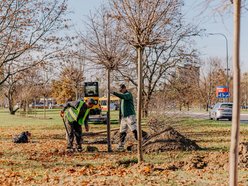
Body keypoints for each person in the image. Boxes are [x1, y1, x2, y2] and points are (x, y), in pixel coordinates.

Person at [112, 84, 138, 151]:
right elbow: (121, 108)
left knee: (134, 129)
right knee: (122, 131)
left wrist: (114, 93)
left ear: (124, 88)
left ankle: (142, 141)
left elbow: (123, 97)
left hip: (130, 115)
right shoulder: (122, 97)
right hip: (124, 117)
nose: (120, 91)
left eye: (121, 89)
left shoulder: (128, 94)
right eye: (119, 90)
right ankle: (121, 145)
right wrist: (120, 117)